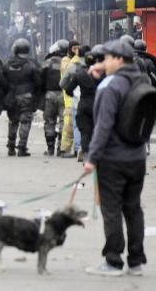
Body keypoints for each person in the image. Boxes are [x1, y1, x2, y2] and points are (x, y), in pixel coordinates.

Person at [84, 40, 147, 277]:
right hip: (137, 157)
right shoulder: (141, 79)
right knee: (133, 209)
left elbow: (103, 125)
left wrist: (92, 157)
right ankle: (136, 261)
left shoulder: (109, 86)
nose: (103, 62)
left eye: (107, 58)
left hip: (112, 159)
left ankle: (113, 262)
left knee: (112, 211)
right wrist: (101, 73)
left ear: (119, 60)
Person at [62, 45, 102, 163]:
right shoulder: (103, 74)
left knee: (85, 131)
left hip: (83, 104)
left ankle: (85, 153)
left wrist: (74, 95)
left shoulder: (79, 74)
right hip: (98, 106)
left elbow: (68, 89)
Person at [3, 38, 41, 157]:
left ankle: (11, 146)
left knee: (13, 121)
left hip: (11, 96)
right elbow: (38, 82)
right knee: (25, 122)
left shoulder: (7, 63)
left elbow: (2, 79)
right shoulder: (32, 65)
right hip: (26, 96)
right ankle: (21, 147)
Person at [42, 40, 67, 156]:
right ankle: (61, 148)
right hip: (64, 95)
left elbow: (40, 78)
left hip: (50, 94)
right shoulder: (68, 63)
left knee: (49, 121)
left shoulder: (48, 63)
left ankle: (50, 148)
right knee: (64, 121)